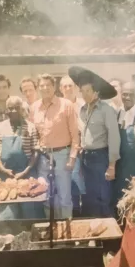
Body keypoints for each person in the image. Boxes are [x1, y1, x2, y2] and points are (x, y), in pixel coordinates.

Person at [69, 66, 121, 218]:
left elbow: (114, 138)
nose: (84, 95)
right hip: (86, 159)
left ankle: (109, 239)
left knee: (103, 198)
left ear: (96, 92)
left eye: (88, 91)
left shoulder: (106, 110)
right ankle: (95, 237)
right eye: (83, 91)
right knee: (89, 199)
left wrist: (111, 165)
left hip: (101, 159)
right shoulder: (83, 110)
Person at [30, 74, 80, 219]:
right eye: (42, 86)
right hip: (43, 158)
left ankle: (67, 233)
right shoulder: (34, 108)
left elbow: (75, 135)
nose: (45, 88)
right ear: (38, 88)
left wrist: (72, 158)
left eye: (48, 85)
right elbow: (33, 134)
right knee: (45, 196)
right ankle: (51, 231)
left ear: (54, 87)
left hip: (62, 155)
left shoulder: (66, 105)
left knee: (64, 197)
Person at [0, 96, 41, 220]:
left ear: (21, 109)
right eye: (10, 108)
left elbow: (35, 152)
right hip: (5, 175)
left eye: (16, 108)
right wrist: (3, 169)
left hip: (26, 174)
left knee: (29, 211)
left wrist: (26, 171)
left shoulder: (30, 127)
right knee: (7, 214)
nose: (13, 111)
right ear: (6, 110)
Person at [59, 74, 86, 216]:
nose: (68, 88)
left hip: (85, 149)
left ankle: (85, 215)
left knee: (84, 185)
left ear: (75, 88)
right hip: (67, 150)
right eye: (65, 86)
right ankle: (74, 215)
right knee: (71, 183)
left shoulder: (83, 104)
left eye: (70, 85)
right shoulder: (58, 105)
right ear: (60, 89)